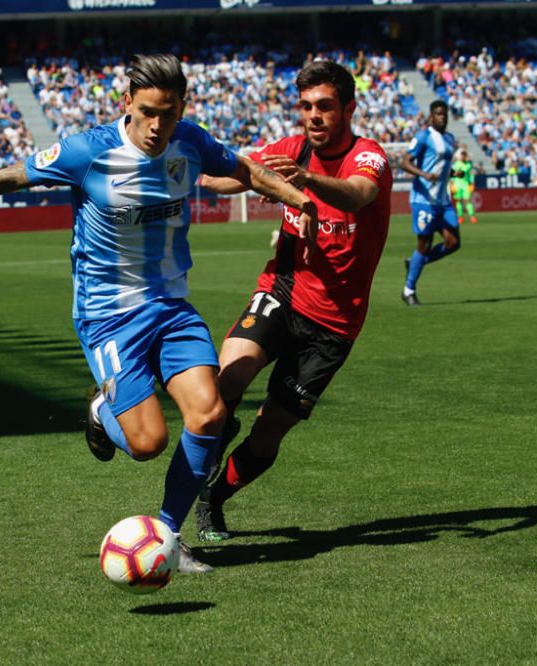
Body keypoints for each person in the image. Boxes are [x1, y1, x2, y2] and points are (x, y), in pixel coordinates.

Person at [0, 54, 318, 571]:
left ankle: (169, 539)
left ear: (183, 108)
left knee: (210, 413)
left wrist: (296, 197)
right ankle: (98, 410)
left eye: (170, 112)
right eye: (150, 111)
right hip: (108, 315)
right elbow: (5, 177)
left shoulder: (191, 141)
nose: (159, 125)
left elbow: (242, 168)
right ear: (126, 102)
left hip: (171, 308)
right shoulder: (87, 151)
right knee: (149, 442)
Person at [193, 60, 393, 541]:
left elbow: (355, 195)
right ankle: (213, 439)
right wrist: (194, 168)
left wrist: (301, 181)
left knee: (269, 432)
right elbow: (231, 177)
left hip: (334, 325)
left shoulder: (370, 158)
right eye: (305, 106)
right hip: (282, 290)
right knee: (226, 382)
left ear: (349, 108)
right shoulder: (288, 150)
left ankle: (214, 500)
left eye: (324, 106)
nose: (313, 116)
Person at [400, 99, 459, 306]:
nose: (442, 117)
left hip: (443, 201)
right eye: (438, 114)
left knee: (453, 243)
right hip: (423, 200)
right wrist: (424, 174)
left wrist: (453, 172)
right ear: (431, 117)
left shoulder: (451, 138)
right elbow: (405, 162)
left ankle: (415, 262)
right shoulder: (423, 137)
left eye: (445, 114)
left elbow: (441, 166)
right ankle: (409, 290)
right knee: (424, 245)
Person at [450, 148, 478, 224]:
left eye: (464, 156)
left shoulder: (468, 165)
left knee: (467, 201)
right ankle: (460, 216)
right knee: (458, 200)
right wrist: (452, 183)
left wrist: (472, 183)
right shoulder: (456, 164)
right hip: (457, 184)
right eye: (462, 156)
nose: (463, 157)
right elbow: (452, 175)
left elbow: (464, 173)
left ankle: (472, 216)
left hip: (465, 185)